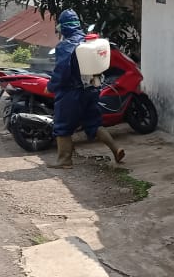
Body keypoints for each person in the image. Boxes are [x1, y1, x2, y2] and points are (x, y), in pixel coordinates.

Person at [45, 9, 125, 169]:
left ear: (64, 26)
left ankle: (64, 160)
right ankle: (116, 149)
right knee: (93, 123)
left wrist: (51, 86)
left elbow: (62, 70)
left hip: (71, 93)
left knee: (62, 125)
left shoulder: (66, 46)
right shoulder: (89, 42)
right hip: (92, 89)